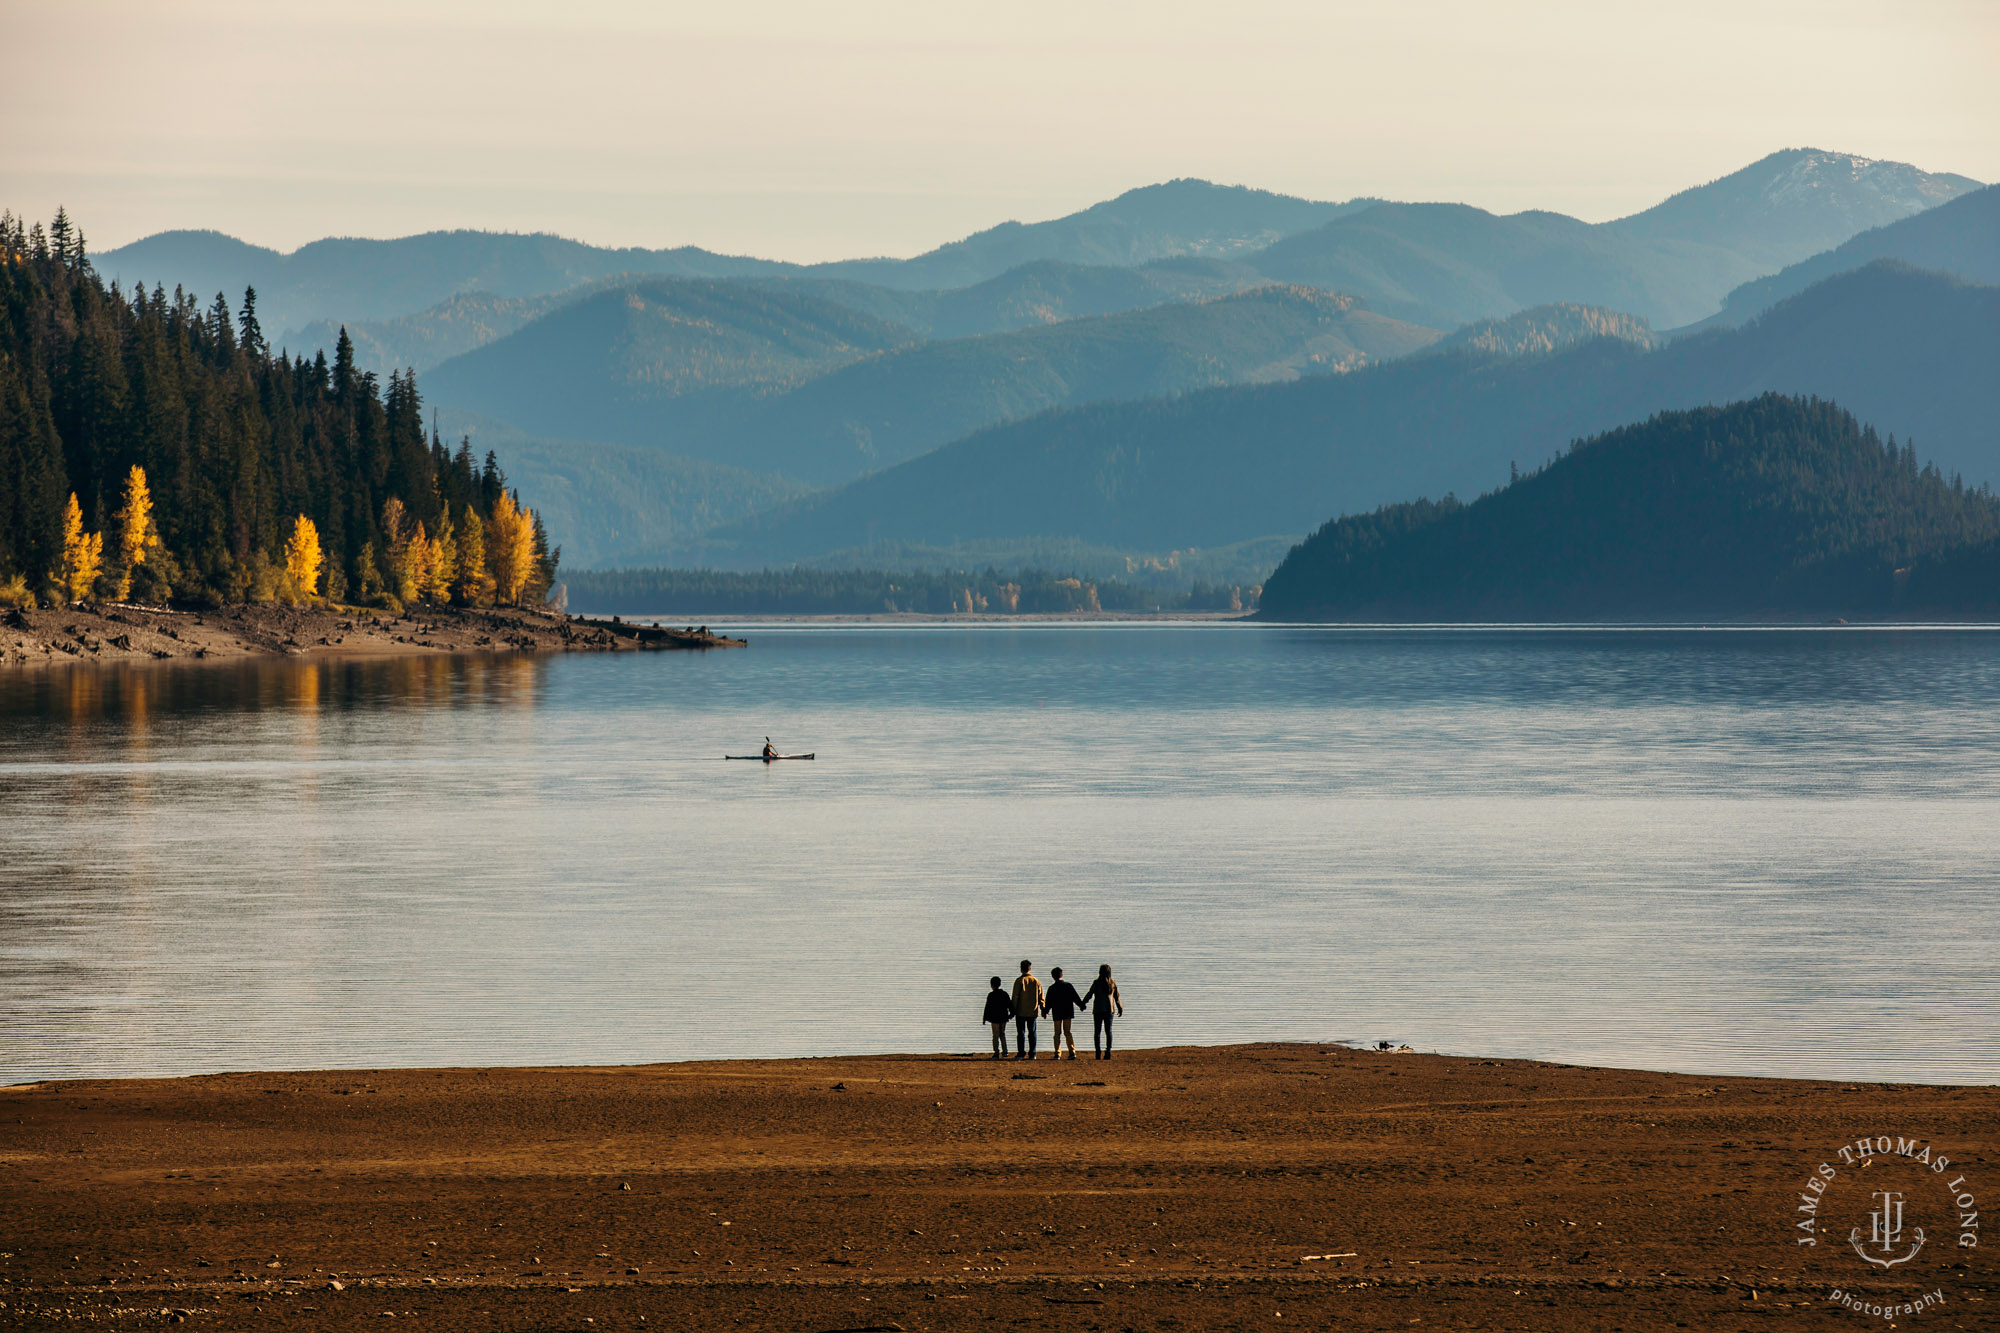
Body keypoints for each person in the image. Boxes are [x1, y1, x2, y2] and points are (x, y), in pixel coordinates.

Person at [1042, 966, 1086, 1060]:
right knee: (1067, 1032)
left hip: (1057, 1013)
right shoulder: (1068, 985)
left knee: (1057, 1033)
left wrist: (1045, 1012)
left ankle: (1057, 1053)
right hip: (1067, 1012)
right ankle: (1072, 1052)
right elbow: (1075, 997)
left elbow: (1048, 1002)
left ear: (1053, 977)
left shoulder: (1052, 988)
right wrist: (1081, 1005)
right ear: (1062, 975)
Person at [1082, 963, 1123, 1059]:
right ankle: (1108, 1051)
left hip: (1098, 1010)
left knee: (1097, 1032)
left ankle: (1098, 1052)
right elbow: (1117, 997)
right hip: (1109, 1010)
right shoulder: (1112, 983)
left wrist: (1083, 1003)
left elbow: (1090, 994)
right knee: (1108, 1031)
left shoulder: (1096, 983)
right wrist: (1120, 1007)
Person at [1010, 960, 1044, 1061]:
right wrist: (1043, 1009)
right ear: (1030, 969)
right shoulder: (1035, 981)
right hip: (1032, 1011)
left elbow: (1015, 997)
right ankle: (1032, 1053)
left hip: (1020, 1011)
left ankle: (1021, 1053)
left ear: (1021, 969)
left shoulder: (1019, 981)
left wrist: (1013, 1010)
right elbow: (1041, 996)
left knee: (1021, 1033)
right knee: (1032, 1032)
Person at [981, 976, 1013, 1059]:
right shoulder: (1004, 994)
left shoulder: (991, 995)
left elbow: (987, 1007)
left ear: (991, 985)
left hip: (994, 1019)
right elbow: (1010, 1005)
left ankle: (996, 1052)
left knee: (995, 1035)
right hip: (1003, 1018)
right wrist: (1011, 1014)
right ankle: (1005, 1051)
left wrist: (985, 1018)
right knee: (1002, 1034)